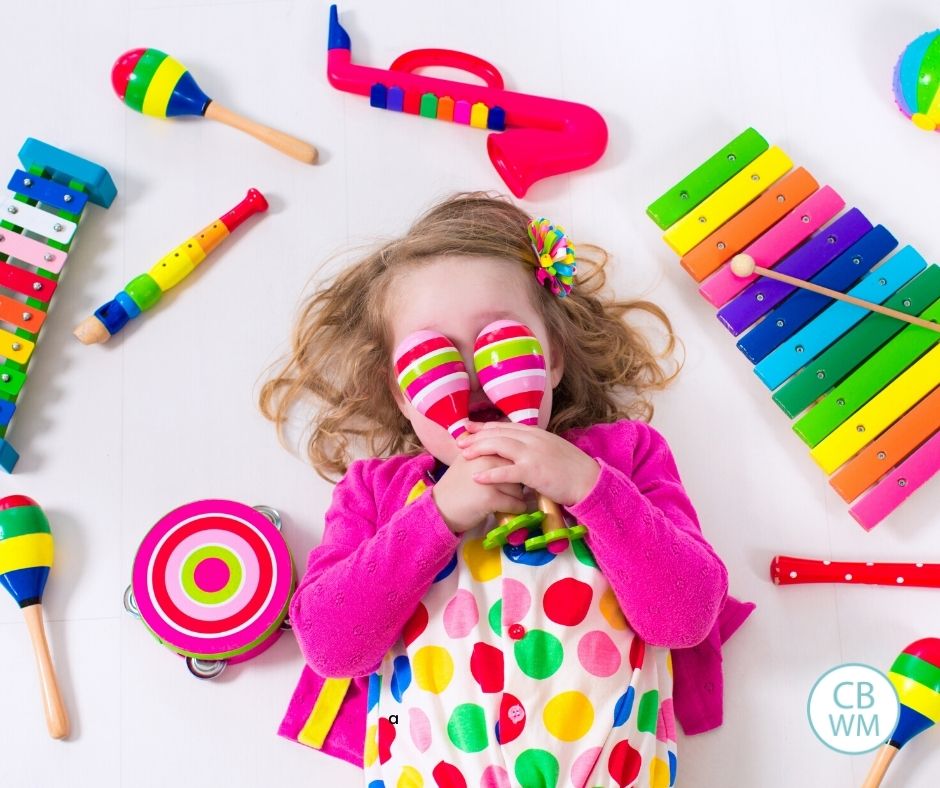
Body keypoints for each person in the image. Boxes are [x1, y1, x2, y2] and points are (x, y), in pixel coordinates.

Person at [263, 193, 753, 787]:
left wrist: (588, 486)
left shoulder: (624, 457)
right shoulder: (376, 492)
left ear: (551, 359)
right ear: (400, 396)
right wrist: (438, 513)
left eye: (497, 339)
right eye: (433, 353)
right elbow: (331, 647)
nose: (470, 370)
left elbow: (685, 618)